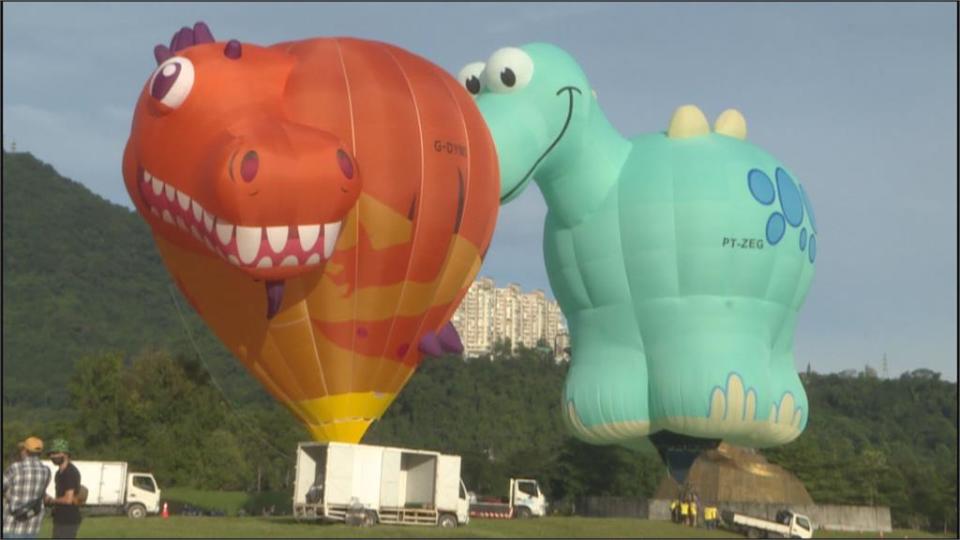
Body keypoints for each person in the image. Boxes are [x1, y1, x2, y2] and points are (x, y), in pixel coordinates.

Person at [2, 437, 52, 539]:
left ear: (25, 451)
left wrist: (7, 495)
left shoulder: (16, 468)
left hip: (12, 525)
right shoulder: (46, 471)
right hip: (33, 526)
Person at [44, 439, 82, 539]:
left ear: (65, 454)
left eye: (55, 453)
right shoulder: (58, 473)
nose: (52, 456)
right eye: (51, 454)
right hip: (60, 518)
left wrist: (51, 500)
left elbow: (68, 499)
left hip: (68, 520)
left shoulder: (70, 472)